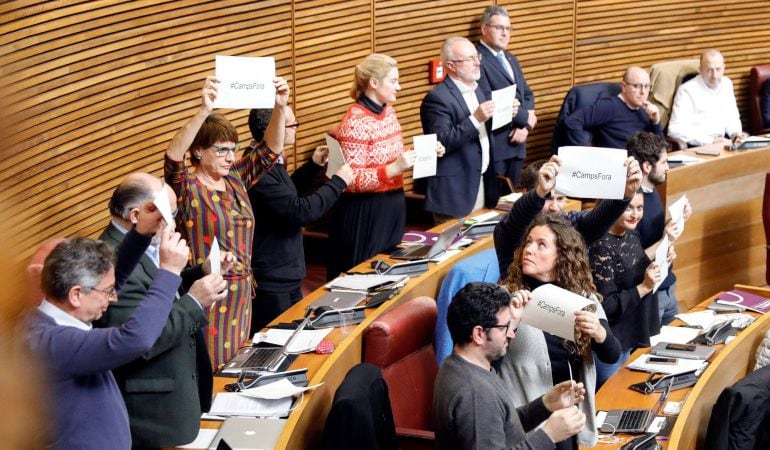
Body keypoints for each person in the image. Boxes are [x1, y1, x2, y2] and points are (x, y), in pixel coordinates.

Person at [26, 216, 188, 450]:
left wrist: (141, 234)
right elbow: (135, 339)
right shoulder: (51, 343)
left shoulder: (57, 316)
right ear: (76, 295)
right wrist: (170, 272)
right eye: (108, 292)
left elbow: (109, 279)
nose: (114, 297)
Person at [95, 173, 232, 448]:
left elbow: (158, 294)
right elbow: (136, 342)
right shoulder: (109, 260)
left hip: (177, 390)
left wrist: (198, 273)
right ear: (136, 215)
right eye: (168, 215)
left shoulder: (145, 245)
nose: (173, 223)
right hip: (152, 411)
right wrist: (194, 302)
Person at [164, 76, 289, 366]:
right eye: (221, 149)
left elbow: (270, 150)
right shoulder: (187, 186)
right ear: (198, 150)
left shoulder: (235, 178)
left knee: (234, 364)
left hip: (242, 293)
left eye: (233, 149)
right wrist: (204, 110)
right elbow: (172, 157)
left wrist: (280, 106)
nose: (230, 157)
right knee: (207, 366)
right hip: (207, 292)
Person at [499, 215, 621, 448]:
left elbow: (612, 354)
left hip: (569, 419)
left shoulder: (583, 298)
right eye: (528, 242)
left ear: (562, 256)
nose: (529, 250)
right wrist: (511, 323)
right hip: (527, 424)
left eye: (541, 244)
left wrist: (598, 333)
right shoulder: (506, 299)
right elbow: (487, 361)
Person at [326, 53, 444, 279]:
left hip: (393, 202)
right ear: (373, 83)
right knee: (365, 274)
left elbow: (392, 155)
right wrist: (392, 169)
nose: (398, 87)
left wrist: (422, 152)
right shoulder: (355, 120)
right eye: (393, 81)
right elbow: (350, 179)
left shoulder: (388, 111)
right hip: (365, 209)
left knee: (388, 272)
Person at [434, 281, 587, 450]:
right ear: (479, 334)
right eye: (505, 327)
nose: (511, 333)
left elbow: (502, 427)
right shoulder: (475, 393)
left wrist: (545, 404)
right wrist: (549, 435)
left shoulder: (457, 365)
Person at [247, 106, 353, 331]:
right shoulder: (259, 170)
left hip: (285, 273)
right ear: (272, 129)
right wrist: (338, 182)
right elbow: (300, 212)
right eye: (292, 125)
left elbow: (285, 197)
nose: (296, 129)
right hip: (273, 280)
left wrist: (312, 165)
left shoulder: (270, 161)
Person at [494, 154, 642, 277]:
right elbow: (519, 217)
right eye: (547, 199)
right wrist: (540, 193)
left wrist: (625, 194)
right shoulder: (510, 231)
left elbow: (598, 220)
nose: (555, 207)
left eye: (560, 199)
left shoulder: (569, 223)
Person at [588, 191, 664, 385]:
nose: (635, 214)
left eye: (640, 208)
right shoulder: (601, 246)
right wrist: (645, 287)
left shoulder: (630, 235)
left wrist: (658, 263)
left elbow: (632, 273)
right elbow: (607, 306)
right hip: (612, 344)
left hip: (629, 337)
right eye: (628, 207)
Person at [420, 37, 498, 221]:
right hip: (455, 191)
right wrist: (475, 119)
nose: (477, 62)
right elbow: (441, 141)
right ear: (451, 66)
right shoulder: (437, 98)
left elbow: (483, 134)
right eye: (470, 59)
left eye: (476, 56)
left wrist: (503, 114)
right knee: (456, 248)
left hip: (482, 181)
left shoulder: (477, 90)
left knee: (480, 246)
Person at [626, 132, 691, 325]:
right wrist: (665, 240)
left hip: (668, 285)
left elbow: (652, 235)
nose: (667, 168)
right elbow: (631, 261)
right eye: (663, 163)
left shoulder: (652, 192)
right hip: (650, 295)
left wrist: (677, 222)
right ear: (647, 166)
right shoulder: (631, 205)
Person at [476, 5, 536, 187]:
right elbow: (489, 100)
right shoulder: (477, 59)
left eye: (508, 28)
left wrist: (525, 126)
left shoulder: (511, 58)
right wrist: (527, 117)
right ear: (484, 29)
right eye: (499, 28)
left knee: (514, 201)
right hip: (498, 144)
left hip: (518, 143)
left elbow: (527, 93)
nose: (505, 33)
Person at [564, 66, 663, 148]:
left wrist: (656, 122)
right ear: (624, 86)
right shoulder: (609, 106)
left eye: (646, 86)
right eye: (637, 86)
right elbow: (572, 122)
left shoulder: (646, 110)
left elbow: (658, 149)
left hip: (644, 165)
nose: (643, 92)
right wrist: (588, 154)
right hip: (620, 166)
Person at [668, 49, 747, 147]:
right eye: (709, 70)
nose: (714, 76)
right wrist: (710, 141)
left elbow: (732, 117)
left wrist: (735, 134)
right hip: (699, 146)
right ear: (700, 70)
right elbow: (674, 130)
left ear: (724, 68)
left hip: (724, 143)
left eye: (718, 69)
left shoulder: (727, 84)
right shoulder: (686, 90)